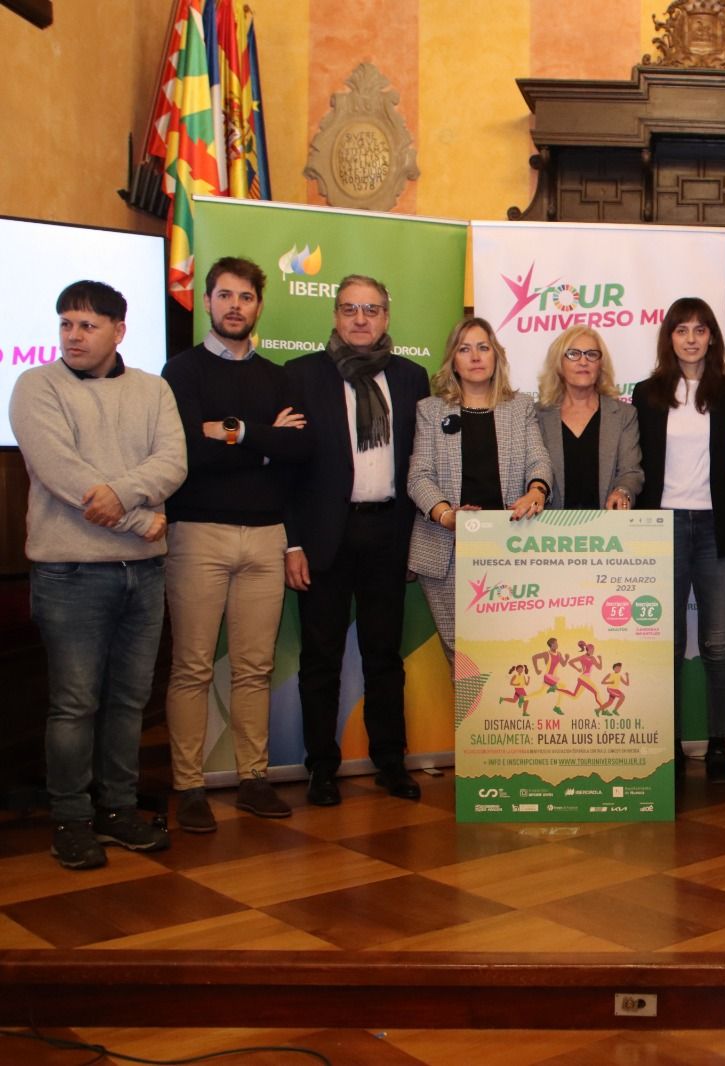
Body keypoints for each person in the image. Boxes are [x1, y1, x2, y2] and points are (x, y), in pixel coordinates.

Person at [12, 280, 186, 868]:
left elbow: (172, 463)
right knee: (74, 704)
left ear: (119, 331)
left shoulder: (153, 389)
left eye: (87, 325)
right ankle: (71, 819)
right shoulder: (36, 385)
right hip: (70, 573)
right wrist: (138, 519)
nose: (73, 335)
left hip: (145, 574)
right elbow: (62, 472)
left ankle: (117, 810)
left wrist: (123, 500)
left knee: (130, 701)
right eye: (66, 323)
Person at [161, 257, 312, 832]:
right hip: (198, 533)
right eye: (224, 295)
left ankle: (254, 779)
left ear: (259, 306)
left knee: (254, 667)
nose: (235, 306)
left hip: (268, 536)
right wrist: (265, 443)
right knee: (193, 666)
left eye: (245, 297)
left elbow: (298, 452)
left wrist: (235, 432)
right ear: (207, 301)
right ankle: (189, 787)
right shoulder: (182, 371)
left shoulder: (278, 377)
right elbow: (188, 455)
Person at [284, 274, 430, 806]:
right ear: (335, 316)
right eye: (350, 309)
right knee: (320, 658)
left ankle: (391, 762)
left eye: (371, 309)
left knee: (384, 656)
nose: (360, 319)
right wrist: (292, 544)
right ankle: (321, 767)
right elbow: (286, 471)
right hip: (325, 535)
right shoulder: (301, 375)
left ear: (386, 317)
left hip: (388, 531)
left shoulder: (412, 378)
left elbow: (424, 462)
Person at [635, 298, 725, 782]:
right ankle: (672, 745)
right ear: (670, 338)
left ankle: (719, 743)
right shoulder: (647, 393)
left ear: (712, 338)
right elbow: (636, 462)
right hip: (662, 527)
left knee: (718, 643)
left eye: (700, 330)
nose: (691, 339)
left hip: (717, 529)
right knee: (668, 642)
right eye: (681, 330)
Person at [408, 317, 552, 662]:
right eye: (464, 349)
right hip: (448, 548)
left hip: (510, 548)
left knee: (510, 656)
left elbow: (539, 460)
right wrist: (446, 515)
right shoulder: (430, 410)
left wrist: (537, 491)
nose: (475, 356)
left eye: (483, 348)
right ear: (453, 360)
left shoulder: (519, 408)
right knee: (463, 660)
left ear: (496, 356)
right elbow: (418, 476)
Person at [532, 325, 643, 511]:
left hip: (606, 525)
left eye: (592, 354)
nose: (583, 361)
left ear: (600, 365)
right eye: (573, 354)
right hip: (549, 526)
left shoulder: (624, 414)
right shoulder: (536, 415)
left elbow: (630, 472)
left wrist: (623, 492)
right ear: (559, 364)